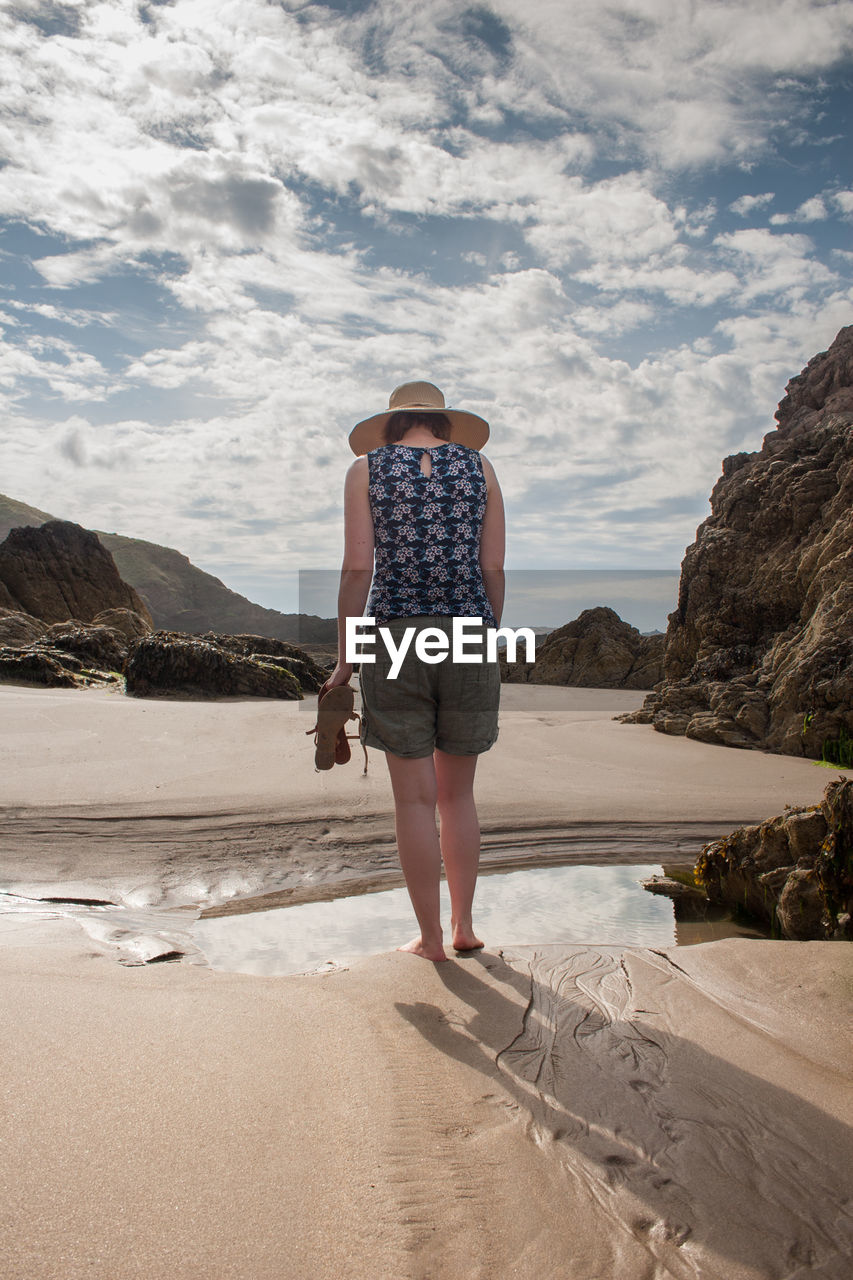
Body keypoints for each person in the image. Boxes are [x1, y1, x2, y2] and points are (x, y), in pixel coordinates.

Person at [320, 380, 505, 962]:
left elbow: (357, 569)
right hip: (470, 632)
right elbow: (493, 565)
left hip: (396, 633)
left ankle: (429, 940)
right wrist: (483, 632)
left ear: (392, 426)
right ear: (443, 423)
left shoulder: (366, 471)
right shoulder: (481, 469)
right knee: (459, 796)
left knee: (415, 802)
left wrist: (347, 659)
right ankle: (465, 927)